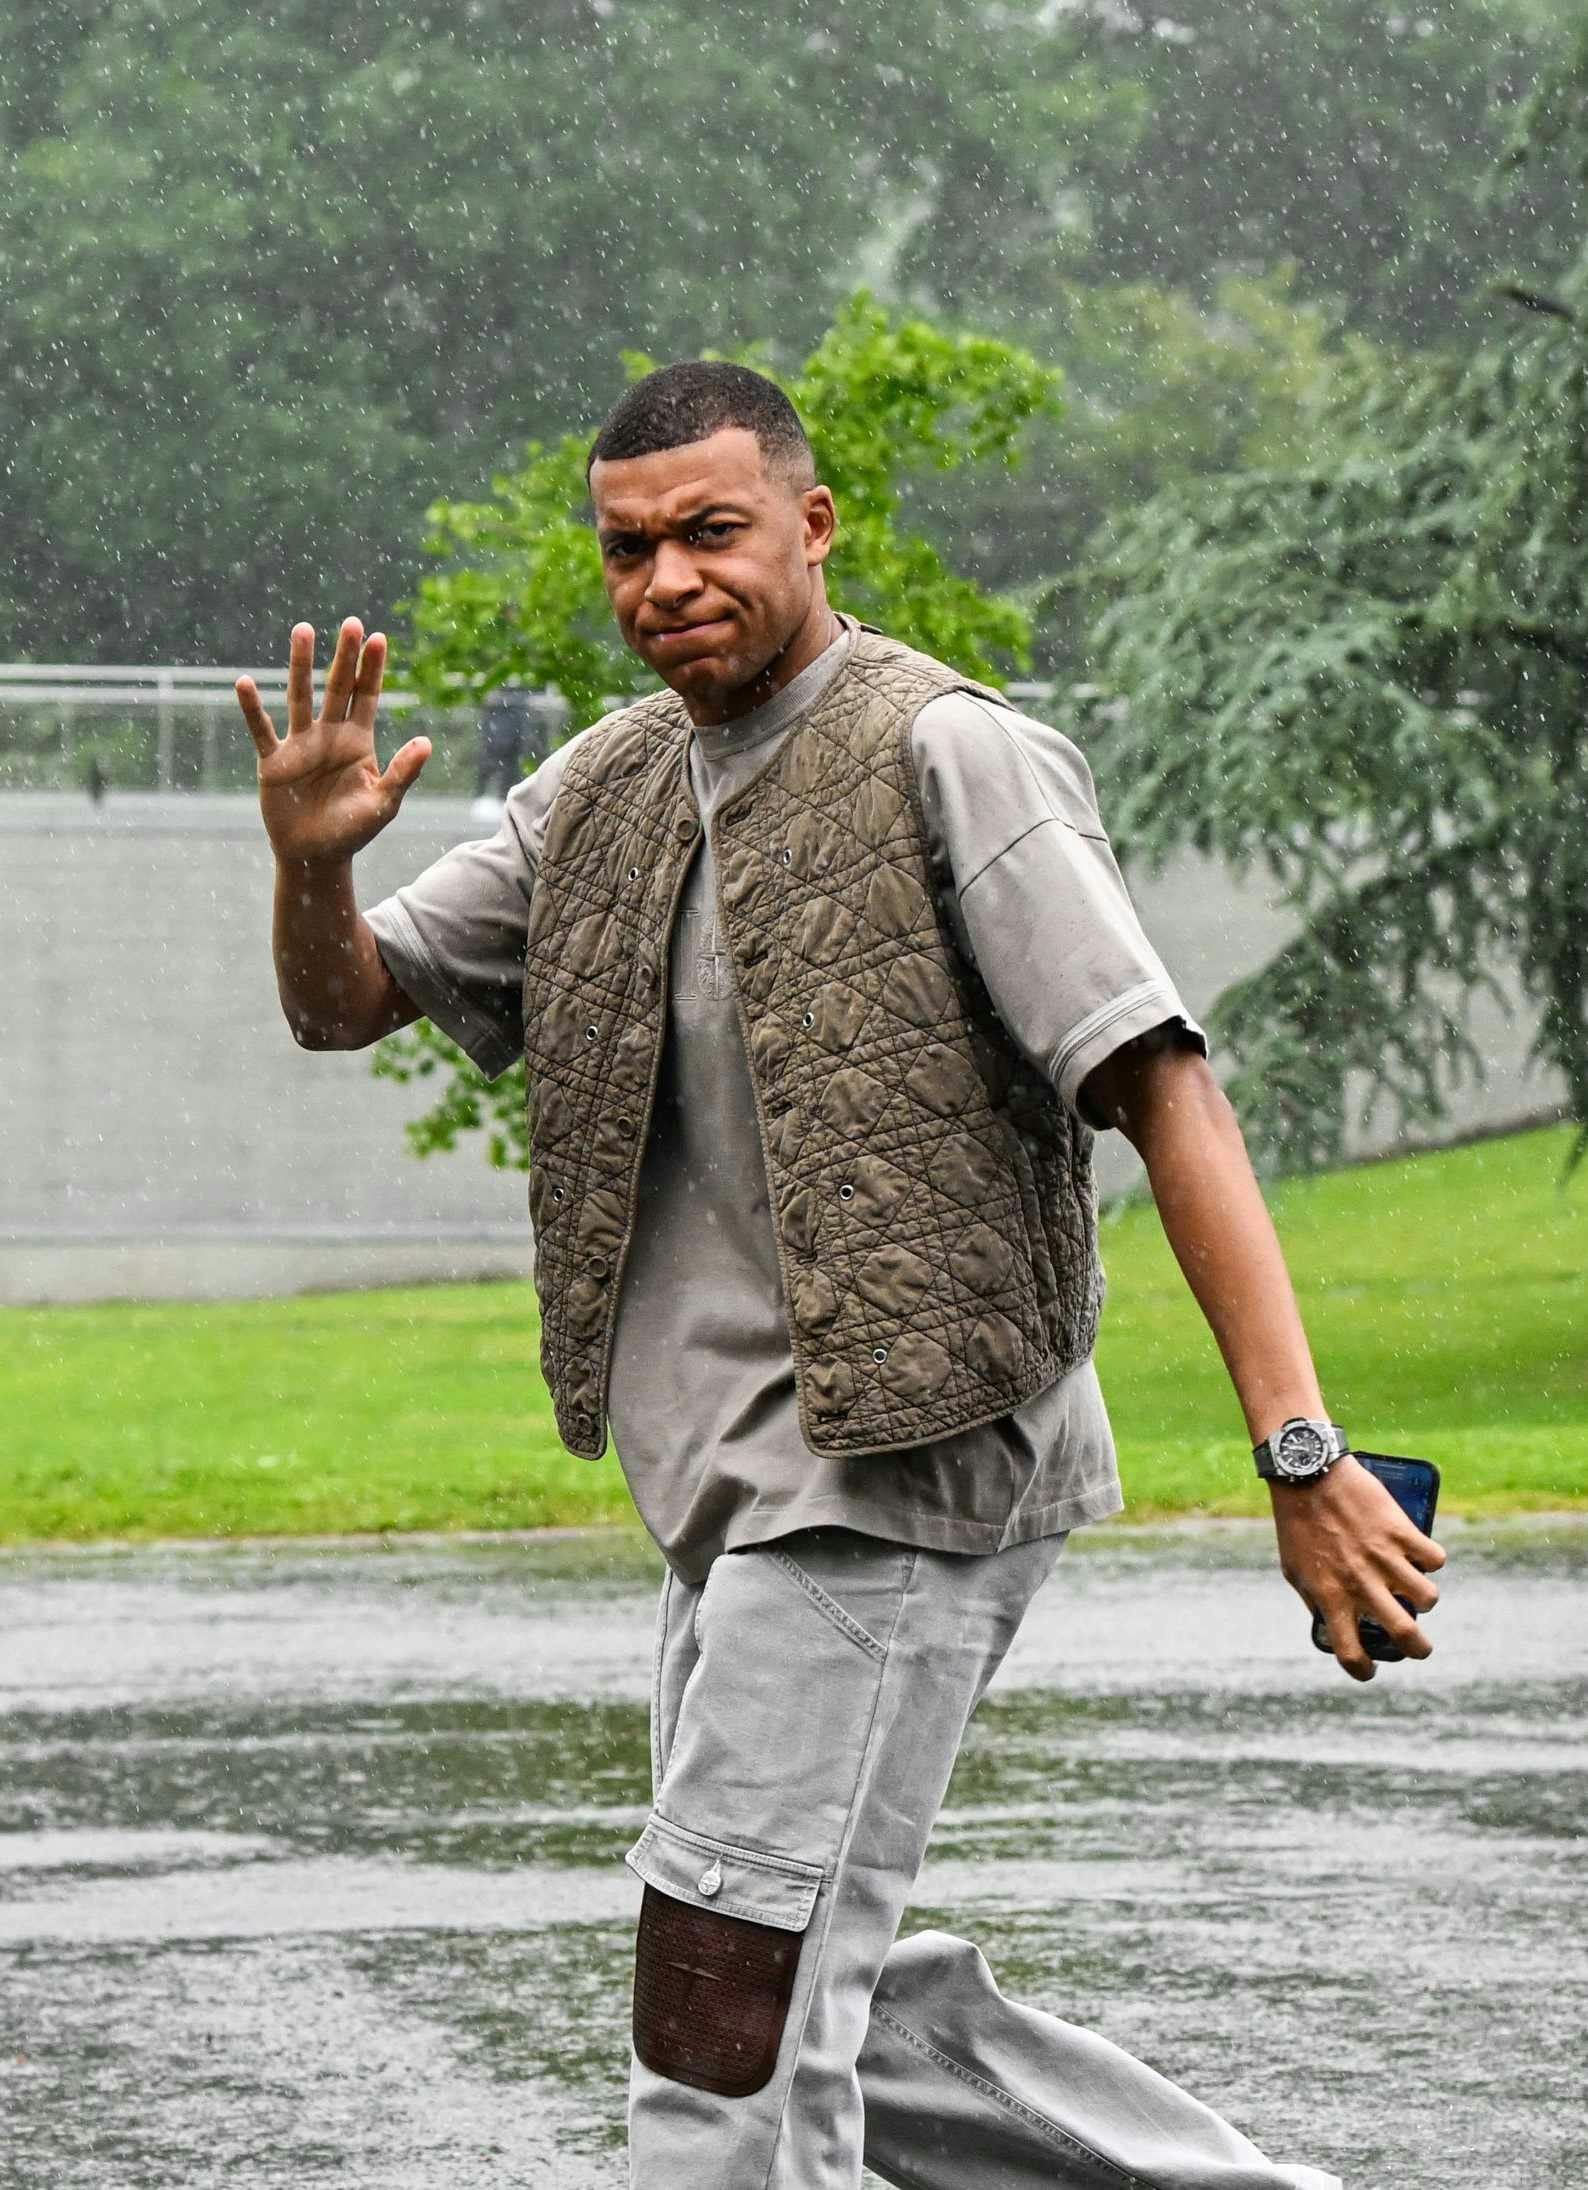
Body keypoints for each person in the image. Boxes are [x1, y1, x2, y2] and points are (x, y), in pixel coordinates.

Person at [236, 361, 1444, 2190]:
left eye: (711, 530)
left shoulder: (950, 750)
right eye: (629, 547)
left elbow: (1163, 1087)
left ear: (812, 523)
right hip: (725, 1492)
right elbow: (342, 1006)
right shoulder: (606, 792)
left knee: (716, 2013)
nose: (667, 579)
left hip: (906, 1464)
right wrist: (310, 870)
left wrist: (1303, 1456)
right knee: (823, 1997)